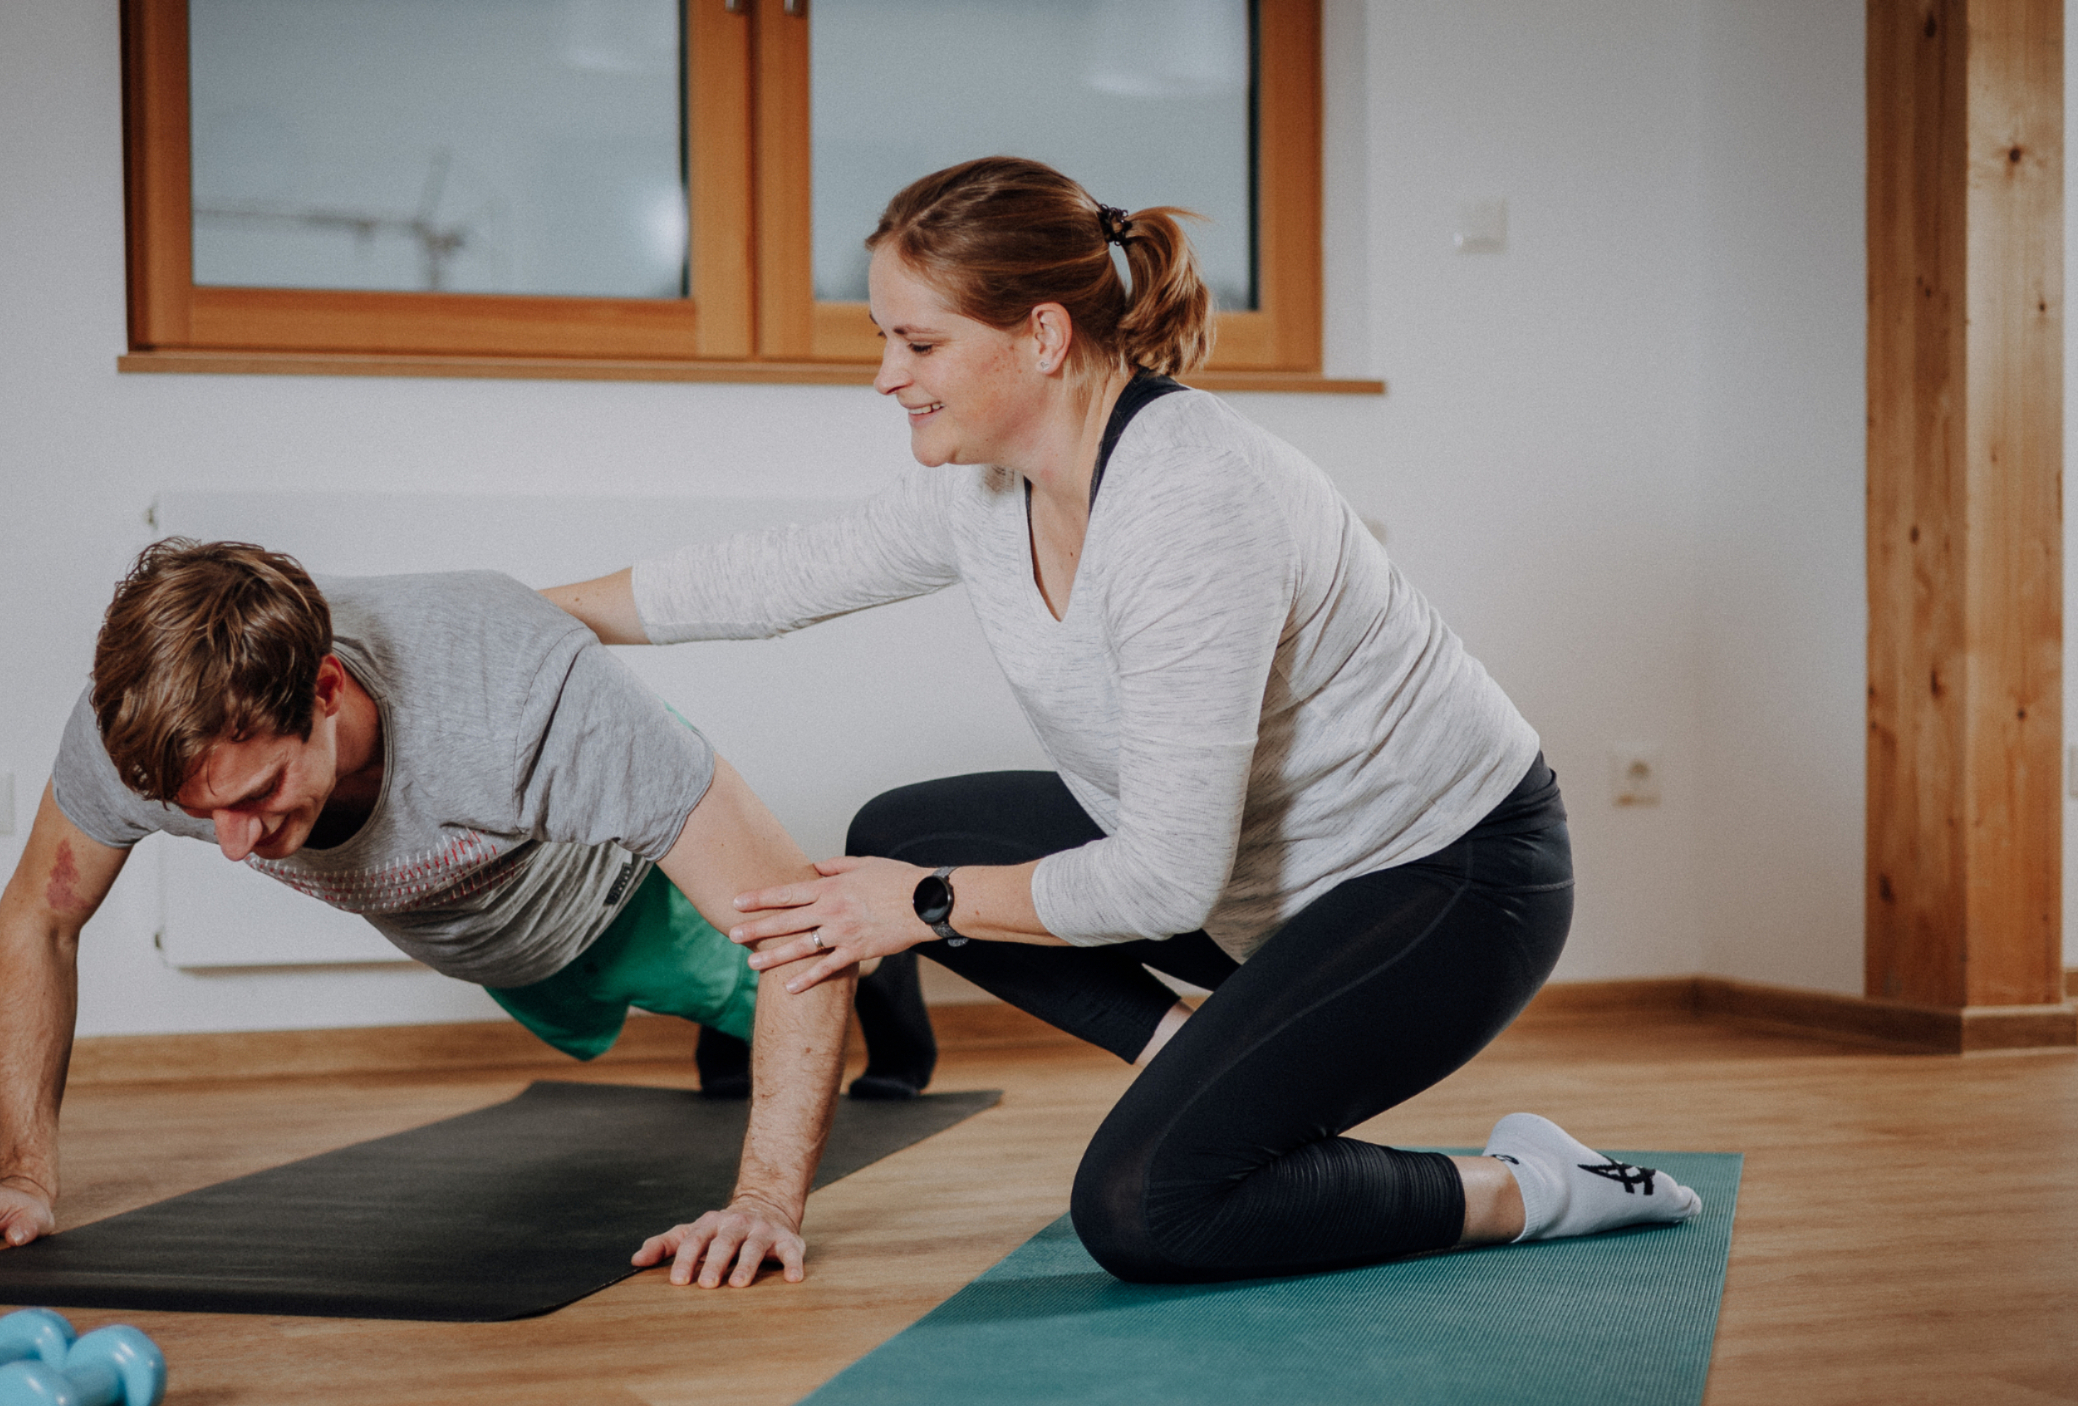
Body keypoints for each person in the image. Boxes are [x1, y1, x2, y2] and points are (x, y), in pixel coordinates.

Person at [544, 157, 1701, 1284]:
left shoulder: (1193, 502)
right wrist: (528, 615)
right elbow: (773, 575)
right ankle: (1192, 1066)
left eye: (919, 341)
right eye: (883, 340)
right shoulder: (988, 485)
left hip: (1445, 883)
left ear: (1041, 336)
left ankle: (1537, 1184)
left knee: (1144, 1205)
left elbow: (1160, 883)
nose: (886, 375)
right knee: (904, 823)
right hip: (1265, 870)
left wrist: (921, 903)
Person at [0, 539, 865, 1289]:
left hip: (615, 888)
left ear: (326, 687)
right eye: (197, 812)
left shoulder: (525, 694)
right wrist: (21, 1174)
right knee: (575, 1016)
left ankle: (873, 983)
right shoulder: (135, 732)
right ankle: (719, 1031)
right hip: (487, 943)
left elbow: (801, 928)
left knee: (767, 989)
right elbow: (40, 920)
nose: (233, 845)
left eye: (256, 794)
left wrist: (763, 1202)